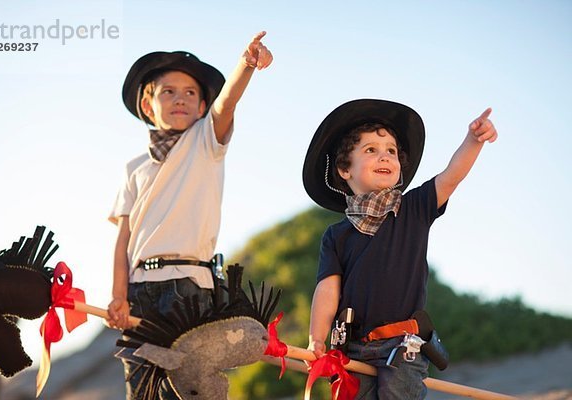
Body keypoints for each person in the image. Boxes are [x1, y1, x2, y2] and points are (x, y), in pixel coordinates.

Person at [106, 31, 273, 399]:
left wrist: (245, 65)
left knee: (186, 388)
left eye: (190, 93)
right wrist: (119, 295)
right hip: (140, 289)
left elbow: (226, 104)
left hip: (189, 286)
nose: (180, 98)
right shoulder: (134, 167)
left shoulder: (205, 143)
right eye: (168, 91)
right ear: (148, 106)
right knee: (142, 387)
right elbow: (123, 238)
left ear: (201, 107)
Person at [302, 99, 497, 399]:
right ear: (344, 169)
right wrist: (316, 339)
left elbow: (452, 175)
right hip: (352, 348)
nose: (385, 157)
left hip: (402, 344)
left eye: (391, 151)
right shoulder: (337, 235)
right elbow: (327, 289)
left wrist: (473, 140)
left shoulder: (413, 209)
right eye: (371, 150)